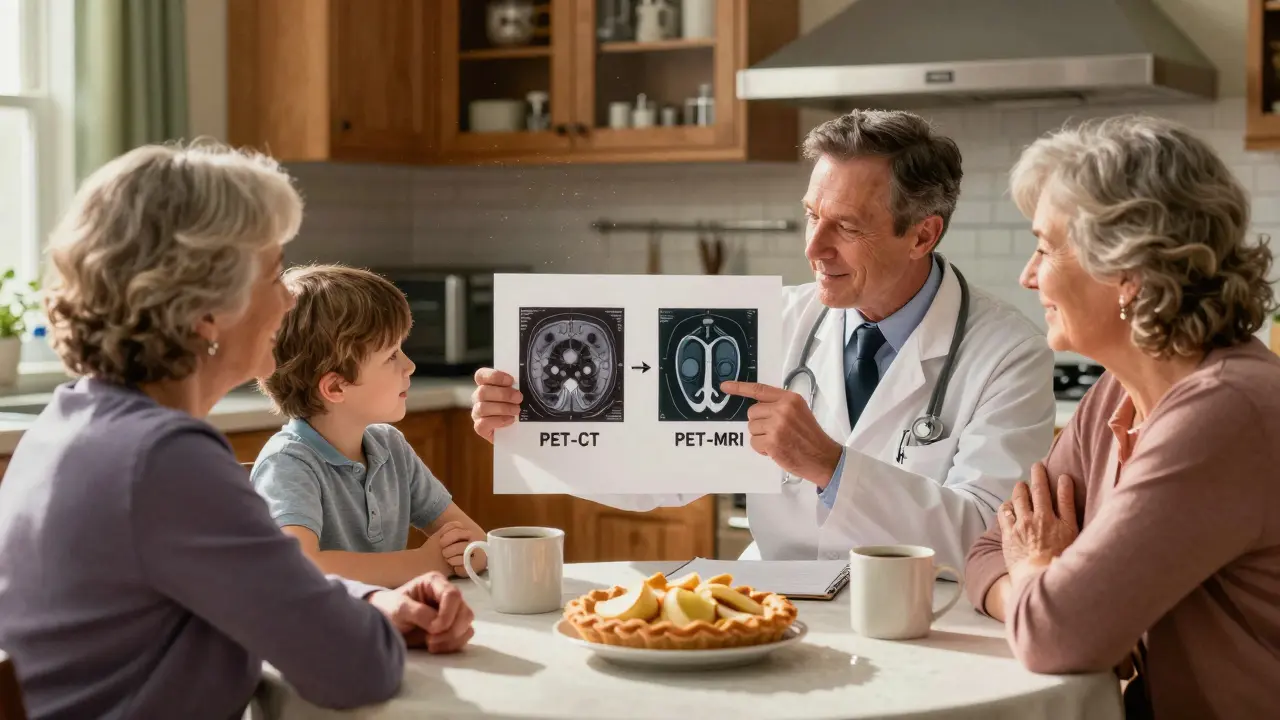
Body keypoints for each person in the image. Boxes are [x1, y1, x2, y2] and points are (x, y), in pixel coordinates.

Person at [0, 143, 475, 720]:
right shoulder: (164, 459)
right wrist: (374, 617)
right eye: (274, 274)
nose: (289, 297)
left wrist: (373, 597)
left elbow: (258, 577)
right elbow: (355, 668)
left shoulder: (71, 421)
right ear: (207, 310)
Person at [472, 109, 1056, 569]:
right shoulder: (768, 322)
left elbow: (992, 535)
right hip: (780, 605)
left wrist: (831, 466)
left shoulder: (1008, 354)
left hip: (928, 617)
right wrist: (533, 428)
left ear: (922, 234)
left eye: (846, 227)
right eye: (811, 215)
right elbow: (656, 476)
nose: (814, 248)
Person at [964, 115, 1280, 718]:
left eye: (1043, 247)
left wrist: (1035, 569)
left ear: (1126, 273)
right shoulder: (1115, 396)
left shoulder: (1225, 413)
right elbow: (985, 551)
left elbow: (1053, 634)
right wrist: (1047, 594)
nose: (1028, 276)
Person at [251, 264, 488, 588]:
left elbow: (476, 545)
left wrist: (462, 554)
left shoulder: (390, 448)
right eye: (391, 356)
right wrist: (423, 562)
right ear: (335, 388)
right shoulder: (287, 464)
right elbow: (301, 568)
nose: (410, 365)